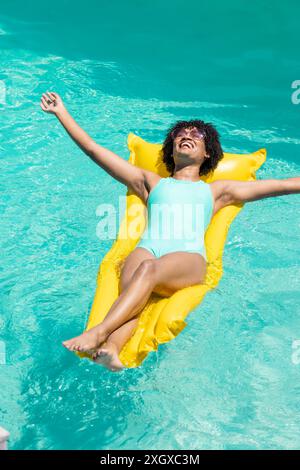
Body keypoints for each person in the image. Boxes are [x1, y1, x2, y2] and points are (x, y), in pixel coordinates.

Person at [40, 92, 300, 371]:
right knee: (134, 290)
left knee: (148, 270)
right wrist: (61, 113)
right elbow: (94, 150)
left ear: (207, 152)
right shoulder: (149, 181)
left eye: (196, 133)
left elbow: (283, 185)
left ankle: (99, 332)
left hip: (187, 258)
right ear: (171, 149)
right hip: (147, 250)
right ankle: (112, 350)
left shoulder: (217, 191)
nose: (186, 134)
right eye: (180, 133)